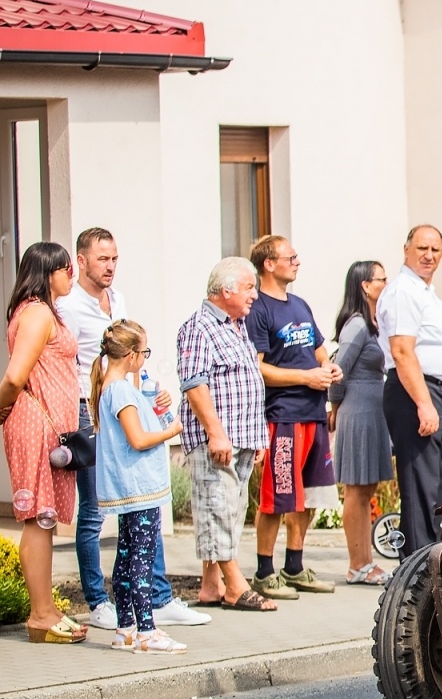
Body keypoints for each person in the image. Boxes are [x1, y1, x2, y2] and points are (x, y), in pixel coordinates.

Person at [57, 228, 206, 629]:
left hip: (130, 403)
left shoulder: (117, 300)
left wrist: (149, 396)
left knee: (145, 505)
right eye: (102, 259)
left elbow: (126, 358)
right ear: (82, 261)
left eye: (115, 259)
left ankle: (157, 598)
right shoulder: (69, 306)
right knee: (93, 513)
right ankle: (97, 600)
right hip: (92, 413)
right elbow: (68, 362)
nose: (110, 266)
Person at [245, 236, 341, 600]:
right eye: (291, 257)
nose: (297, 262)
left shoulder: (299, 304)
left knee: (310, 496)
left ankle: (295, 567)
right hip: (282, 416)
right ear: (269, 264)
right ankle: (264, 572)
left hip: (314, 412)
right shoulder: (259, 309)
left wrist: (329, 369)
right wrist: (306, 377)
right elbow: (258, 369)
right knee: (277, 497)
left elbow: (319, 352)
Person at [178, 258, 275, 612]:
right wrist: (216, 434)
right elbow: (194, 384)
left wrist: (256, 433)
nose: (255, 294)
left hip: (242, 435)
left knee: (232, 509)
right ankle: (235, 585)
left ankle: (210, 585)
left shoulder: (237, 325)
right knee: (216, 507)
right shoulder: (199, 327)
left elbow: (245, 380)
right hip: (216, 438)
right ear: (226, 290)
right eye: (250, 287)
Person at [0, 243, 86, 643]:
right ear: (48, 271)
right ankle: (39, 616)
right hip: (35, 423)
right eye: (67, 267)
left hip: (48, 427)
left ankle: (47, 609)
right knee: (37, 516)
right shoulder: (36, 312)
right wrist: (1, 410)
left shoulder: (43, 310)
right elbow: (15, 377)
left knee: (45, 518)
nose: (72, 273)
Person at [91, 319, 186, 653]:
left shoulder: (115, 388)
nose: (145, 358)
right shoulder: (120, 391)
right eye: (144, 351)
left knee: (127, 554)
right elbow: (139, 438)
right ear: (131, 355)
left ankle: (125, 628)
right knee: (142, 557)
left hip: (130, 488)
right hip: (139, 487)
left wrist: (156, 406)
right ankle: (147, 631)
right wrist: (172, 431)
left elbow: (139, 426)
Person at [377, 225, 442, 558]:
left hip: (441, 394)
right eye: (422, 248)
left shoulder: (427, 292)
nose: (428, 255)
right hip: (417, 393)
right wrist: (425, 404)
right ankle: (416, 572)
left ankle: (428, 563)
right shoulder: (403, 290)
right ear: (406, 249)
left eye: (435, 250)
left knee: (436, 490)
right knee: (420, 489)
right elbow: (402, 351)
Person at [330, 260, 392, 585]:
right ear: (366, 285)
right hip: (357, 410)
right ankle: (357, 564)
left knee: (367, 488)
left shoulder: (373, 323)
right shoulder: (355, 324)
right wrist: (335, 407)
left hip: (372, 410)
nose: (387, 283)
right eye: (382, 278)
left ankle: (366, 563)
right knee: (356, 490)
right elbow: (337, 371)